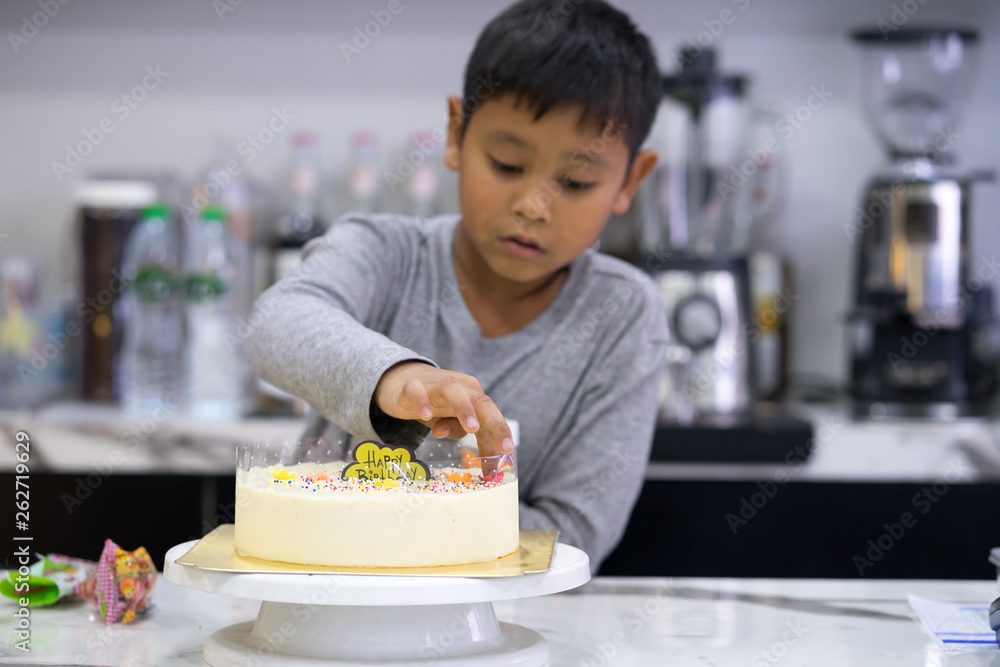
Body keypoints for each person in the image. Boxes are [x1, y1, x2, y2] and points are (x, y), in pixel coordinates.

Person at [244, 0, 667, 572]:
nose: (532, 206)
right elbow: (276, 324)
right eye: (507, 165)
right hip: (325, 610)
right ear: (456, 134)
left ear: (629, 182)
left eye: (574, 180)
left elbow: (576, 534)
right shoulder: (386, 252)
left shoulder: (622, 312)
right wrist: (400, 378)